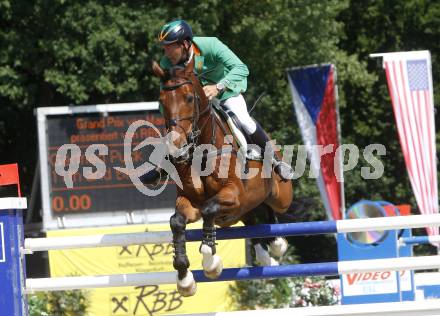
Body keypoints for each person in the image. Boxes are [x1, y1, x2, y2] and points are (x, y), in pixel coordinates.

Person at [142, 19, 292, 184]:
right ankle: (162, 168)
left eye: (170, 47)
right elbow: (170, 97)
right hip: (196, 101)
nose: (166, 53)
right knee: (177, 130)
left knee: (244, 120)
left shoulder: (210, 45)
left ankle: (277, 162)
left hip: (226, 91)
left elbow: (241, 68)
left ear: (185, 44)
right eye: (164, 47)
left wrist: (218, 87)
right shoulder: (166, 63)